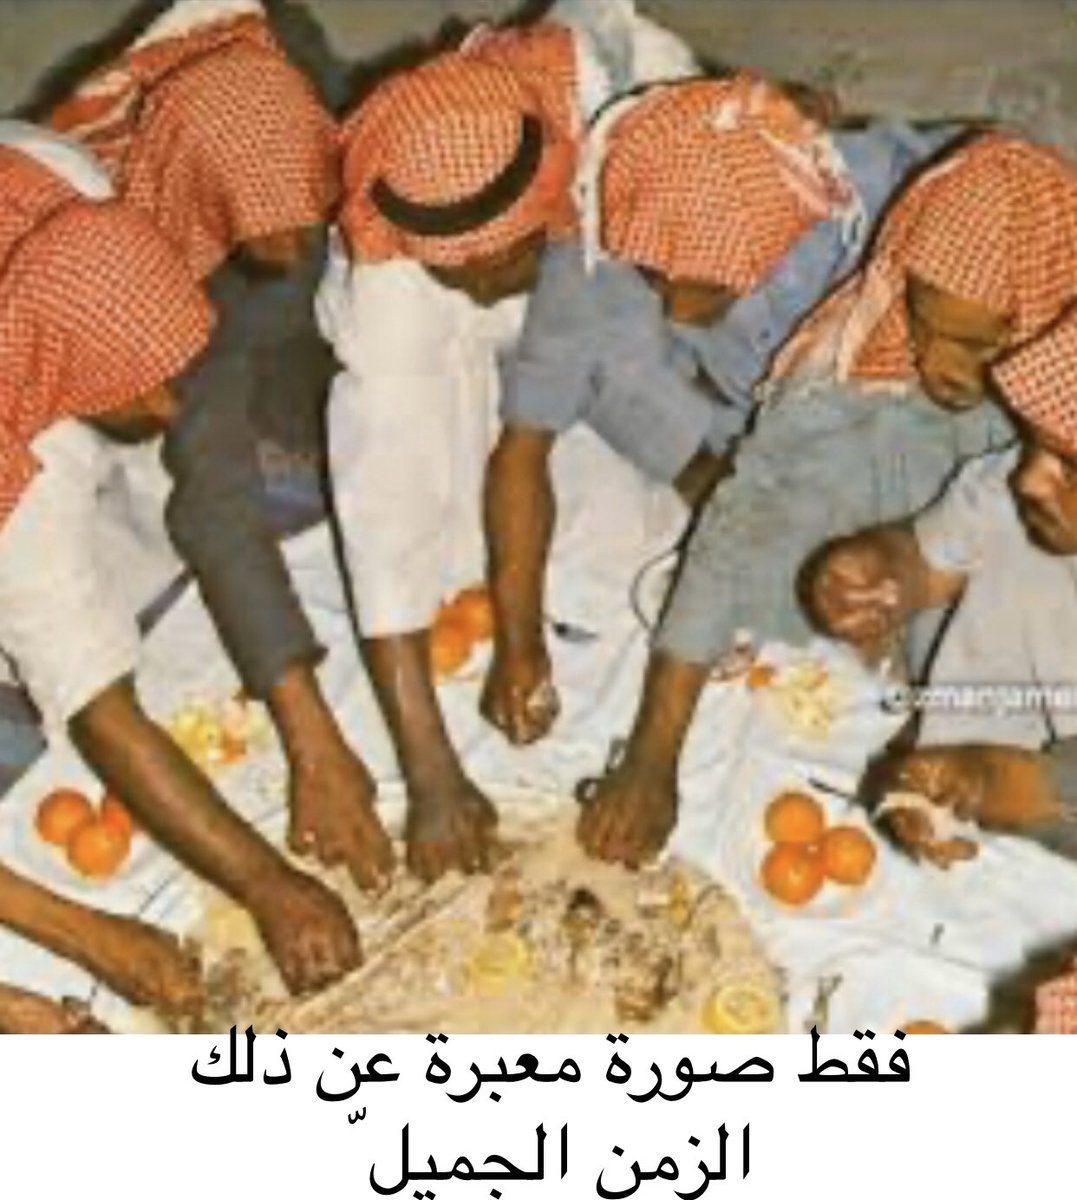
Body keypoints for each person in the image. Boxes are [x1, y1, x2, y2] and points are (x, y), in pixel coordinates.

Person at [575, 131, 1067, 868]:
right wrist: (652, 753)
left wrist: (994, 776)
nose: (940, 364)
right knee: (779, 541)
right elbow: (746, 518)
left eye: (979, 346)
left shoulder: (1051, 423)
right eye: (924, 325)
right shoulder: (869, 361)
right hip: (948, 544)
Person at [319, 1, 700, 882]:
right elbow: (381, 515)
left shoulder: (630, 140)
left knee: (628, 491)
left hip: (585, 247)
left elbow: (540, 427)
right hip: (445, 310)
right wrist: (429, 773)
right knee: (432, 511)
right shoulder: (393, 276)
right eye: (460, 270)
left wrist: (522, 636)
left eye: (501, 263)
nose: (487, 287)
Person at [484, 74, 964, 748]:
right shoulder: (621, 204)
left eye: (707, 285)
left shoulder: (897, 220)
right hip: (742, 399)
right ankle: (715, 484)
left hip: (887, 399)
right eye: (656, 275)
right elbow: (522, 448)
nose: (677, 308)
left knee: (924, 531)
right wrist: (518, 644)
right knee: (580, 361)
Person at [0, 125, 360, 998]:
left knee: (170, 517)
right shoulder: (20, 466)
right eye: (144, 387)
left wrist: (309, 732)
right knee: (52, 658)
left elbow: (198, 451)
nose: (170, 406)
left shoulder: (79, 204)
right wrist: (265, 883)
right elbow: (94, 699)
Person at [49, 0, 394, 891]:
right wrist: (310, 734)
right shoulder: (154, 272)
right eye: (266, 222)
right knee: (173, 506)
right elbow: (214, 505)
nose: (295, 235)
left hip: (268, 166)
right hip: (178, 306)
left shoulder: (316, 125)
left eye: (303, 203)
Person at [803, 306, 1077, 864]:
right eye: (1035, 444)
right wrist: (884, 568)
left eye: (1070, 467)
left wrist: (986, 781)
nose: (1030, 478)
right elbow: (934, 554)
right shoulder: (1029, 493)